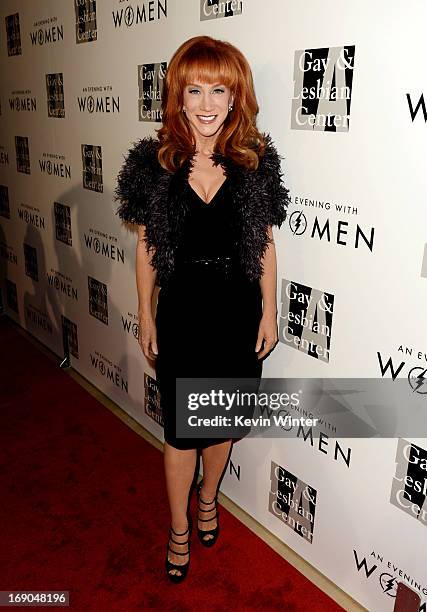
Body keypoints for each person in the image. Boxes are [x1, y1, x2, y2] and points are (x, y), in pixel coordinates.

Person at [114, 35, 290, 582]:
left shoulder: (253, 164)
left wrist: (268, 312)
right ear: (179, 96)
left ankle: (209, 499)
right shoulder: (155, 164)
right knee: (179, 434)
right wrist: (144, 312)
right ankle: (179, 527)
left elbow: (263, 245)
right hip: (185, 313)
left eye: (220, 90)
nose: (208, 103)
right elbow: (146, 247)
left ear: (236, 98)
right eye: (195, 90)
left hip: (237, 314)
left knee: (218, 427)